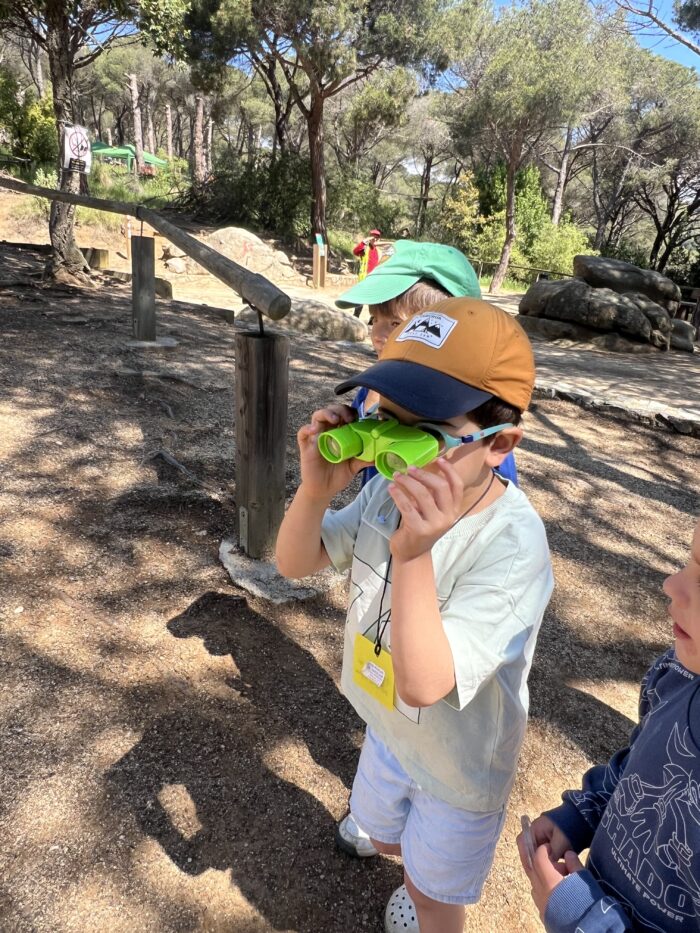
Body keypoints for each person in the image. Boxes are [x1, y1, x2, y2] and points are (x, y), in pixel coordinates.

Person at [276, 297, 554, 933]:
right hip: (390, 729)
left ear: (498, 443)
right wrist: (315, 492)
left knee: (433, 894)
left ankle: (428, 905)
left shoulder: (513, 546)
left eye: (419, 436)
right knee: (390, 840)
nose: (386, 449)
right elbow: (294, 563)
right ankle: (413, 874)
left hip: (459, 766)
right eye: (383, 421)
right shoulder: (383, 488)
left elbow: (428, 683)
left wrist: (414, 554)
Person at [517, 517, 700, 933]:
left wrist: (580, 916)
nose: (671, 584)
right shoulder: (677, 673)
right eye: (690, 562)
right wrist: (581, 815)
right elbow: (636, 765)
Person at [336, 239, 519, 487]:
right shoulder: (371, 389)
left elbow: (495, 492)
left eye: (396, 323)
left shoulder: (474, 413)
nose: (377, 335)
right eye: (374, 319)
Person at [351, 229, 382, 317]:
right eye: (373, 237)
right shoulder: (365, 248)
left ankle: (372, 320)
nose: (375, 239)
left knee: (373, 302)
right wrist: (364, 242)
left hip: (373, 279)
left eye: (377, 238)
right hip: (364, 279)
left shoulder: (379, 252)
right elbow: (355, 251)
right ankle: (355, 317)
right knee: (360, 300)